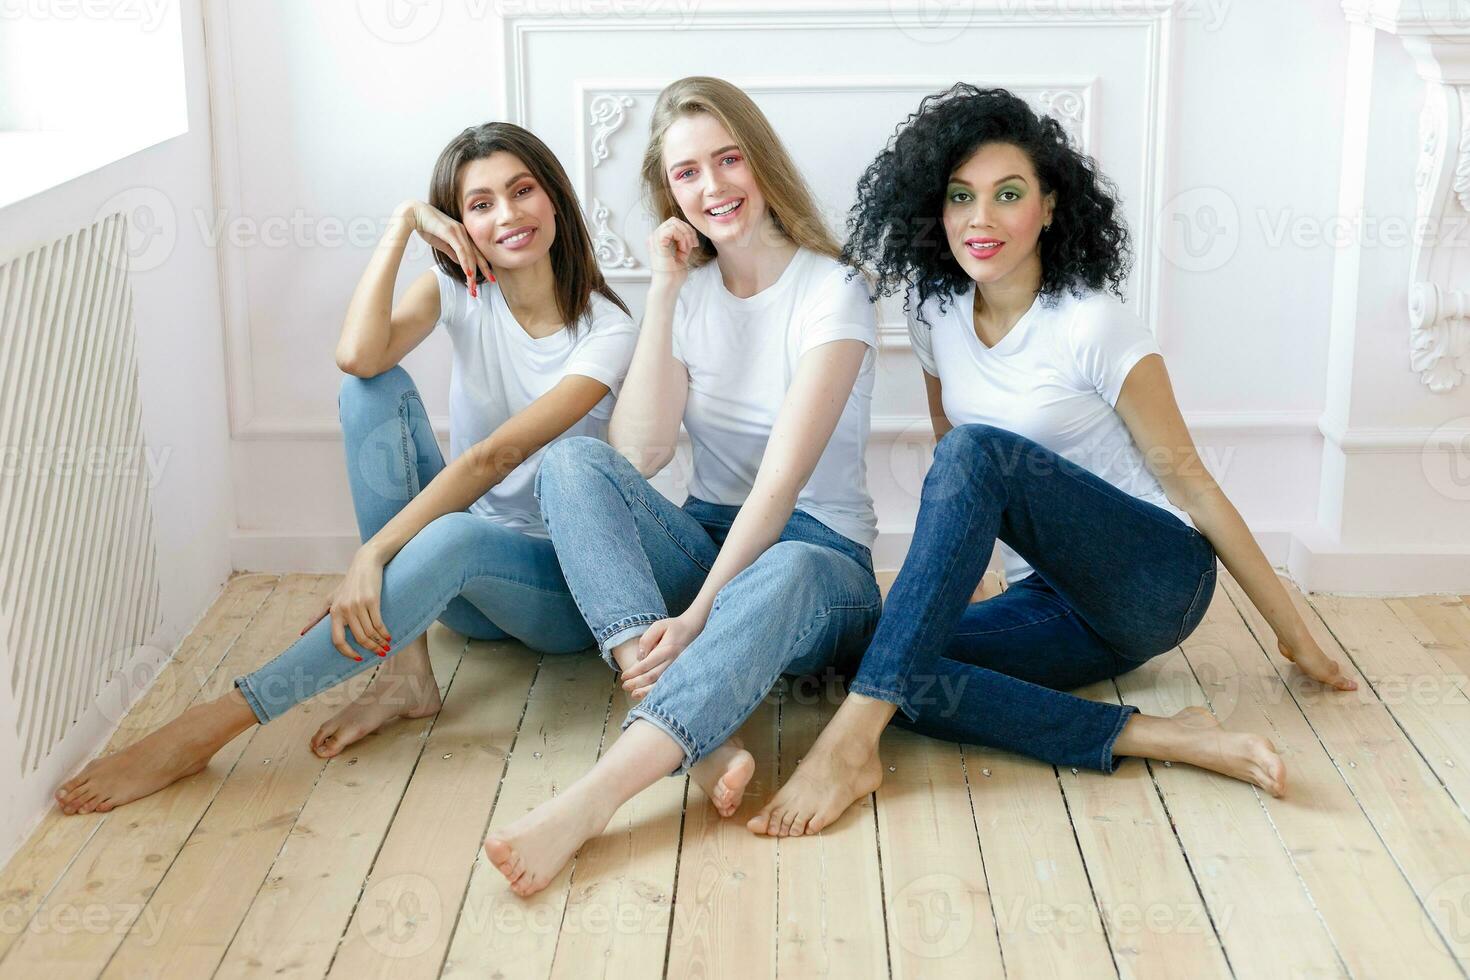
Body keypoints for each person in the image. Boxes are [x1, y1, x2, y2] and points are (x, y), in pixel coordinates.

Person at [748, 84, 1358, 839]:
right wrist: (963, 575)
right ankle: (1161, 736)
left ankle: (848, 746)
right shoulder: (937, 312)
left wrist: (1291, 632)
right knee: (887, 663)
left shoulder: (1092, 323)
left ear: (1050, 206)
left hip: (1154, 578)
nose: (981, 219)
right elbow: (951, 458)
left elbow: (1192, 484)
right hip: (1056, 601)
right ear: (934, 213)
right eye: (960, 197)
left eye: (1008, 194)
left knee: (969, 477)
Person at [54, 122, 638, 814]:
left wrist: (373, 554)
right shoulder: (456, 289)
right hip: (466, 596)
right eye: (480, 204)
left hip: (557, 596)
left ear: (554, 198)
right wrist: (400, 226)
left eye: (522, 191)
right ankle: (407, 669)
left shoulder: (606, 328)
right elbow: (359, 357)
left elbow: (493, 457)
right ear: (458, 223)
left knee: (453, 534)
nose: (507, 215)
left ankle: (220, 719)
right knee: (370, 389)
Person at [481, 76, 881, 898]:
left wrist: (698, 615)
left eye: (728, 160)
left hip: (818, 560)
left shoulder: (831, 289)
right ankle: (700, 735)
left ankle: (596, 799)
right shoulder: (691, 295)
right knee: (570, 461)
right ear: (672, 195)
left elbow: (781, 484)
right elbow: (637, 452)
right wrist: (664, 291)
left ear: (761, 162)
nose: (713, 187)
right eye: (688, 174)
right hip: (708, 538)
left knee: (789, 569)